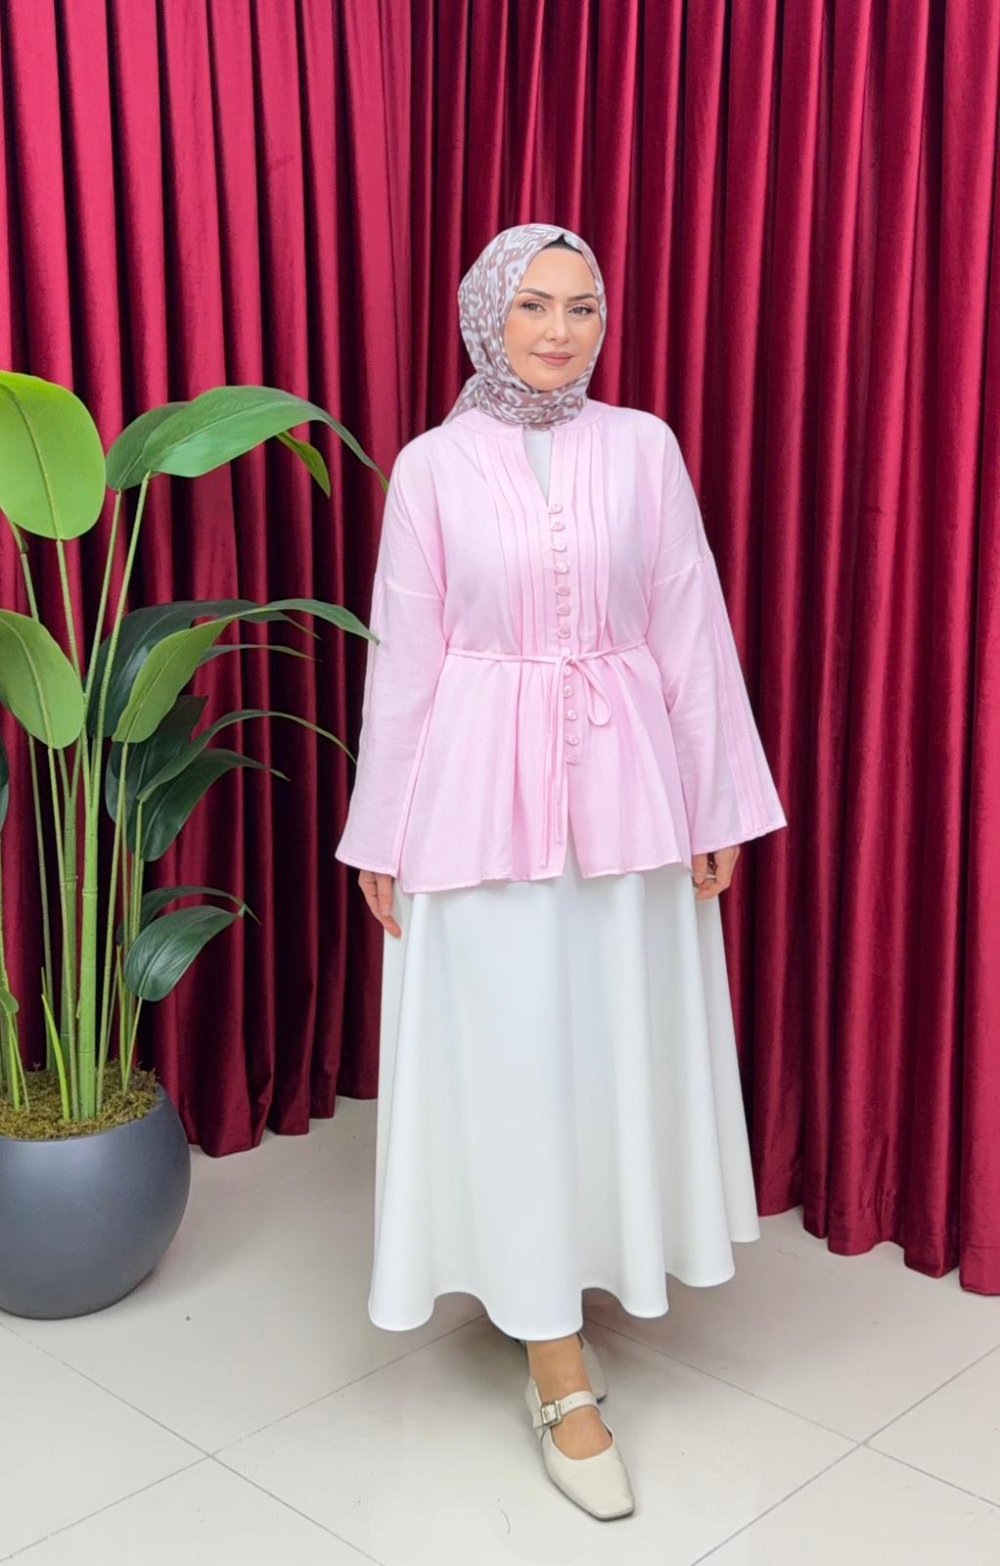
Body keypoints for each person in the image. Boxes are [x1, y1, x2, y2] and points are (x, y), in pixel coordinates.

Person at [334, 222, 788, 1519]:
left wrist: (713, 803)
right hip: (478, 792)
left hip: (629, 784)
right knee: (516, 1053)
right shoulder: (431, 467)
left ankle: (593, 1254)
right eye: (533, 304)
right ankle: (555, 1363)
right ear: (487, 314)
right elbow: (405, 656)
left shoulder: (644, 447)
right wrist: (382, 830)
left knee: (608, 1037)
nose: (560, 330)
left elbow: (689, 624)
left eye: (583, 306)